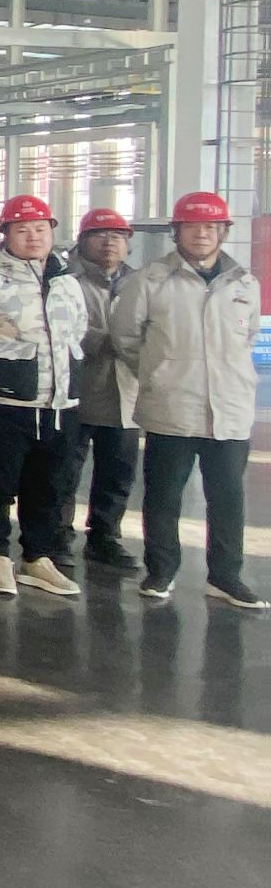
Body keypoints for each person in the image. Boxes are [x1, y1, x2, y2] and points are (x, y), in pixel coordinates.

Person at [110, 192, 266, 608]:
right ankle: (161, 572)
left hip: (229, 411)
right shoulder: (150, 281)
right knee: (164, 497)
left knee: (228, 498)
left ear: (223, 233)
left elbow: (247, 337)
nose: (202, 234)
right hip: (171, 407)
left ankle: (226, 577)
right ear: (177, 232)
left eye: (211, 227)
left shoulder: (244, 284)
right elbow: (126, 337)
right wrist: (160, 372)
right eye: (193, 226)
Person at [0, 194, 87, 598]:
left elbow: (77, 332)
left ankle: (37, 558)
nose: (33, 237)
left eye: (40, 229)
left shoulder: (67, 284)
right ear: (5, 235)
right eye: (22, 230)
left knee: (49, 486)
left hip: (59, 405)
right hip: (5, 406)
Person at [66, 207, 142, 573]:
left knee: (118, 472)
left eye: (118, 236)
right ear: (83, 241)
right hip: (76, 390)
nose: (109, 242)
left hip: (127, 393)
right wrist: (112, 340)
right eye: (99, 234)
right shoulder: (66, 280)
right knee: (64, 470)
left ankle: (104, 537)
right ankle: (56, 536)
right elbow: (61, 326)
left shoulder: (141, 283)